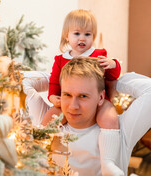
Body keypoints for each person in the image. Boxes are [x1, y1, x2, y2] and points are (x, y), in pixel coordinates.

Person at [23, 57, 151, 176]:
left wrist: (114, 83)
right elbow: (20, 79)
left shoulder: (120, 129)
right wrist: (57, 79)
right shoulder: (46, 121)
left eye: (83, 96)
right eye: (67, 94)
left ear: (101, 97)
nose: (73, 106)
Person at [43, 9, 122, 175]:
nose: (82, 38)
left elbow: (113, 75)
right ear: (67, 36)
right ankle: (39, 148)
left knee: (109, 118)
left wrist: (113, 64)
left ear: (93, 36)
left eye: (88, 34)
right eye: (77, 33)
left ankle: (107, 161)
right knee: (50, 116)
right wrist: (52, 97)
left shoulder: (98, 55)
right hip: (68, 100)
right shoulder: (61, 59)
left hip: (98, 101)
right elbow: (54, 81)